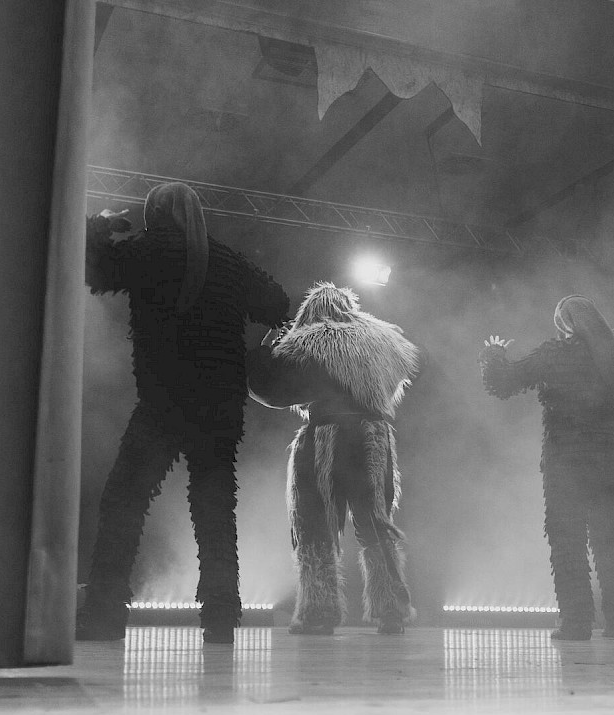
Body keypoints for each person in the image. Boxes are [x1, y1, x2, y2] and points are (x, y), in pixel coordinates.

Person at [76, 182, 291, 644]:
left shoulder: (148, 250)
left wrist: (98, 226)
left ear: (155, 213)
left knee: (124, 502)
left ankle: (103, 615)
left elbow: (91, 269)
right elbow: (278, 303)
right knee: (214, 511)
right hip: (221, 406)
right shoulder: (228, 261)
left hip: (164, 402)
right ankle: (221, 619)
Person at [478, 295, 614, 640]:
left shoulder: (555, 353)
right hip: (613, 456)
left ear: (565, 324)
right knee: (610, 538)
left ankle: (576, 623)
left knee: (567, 540)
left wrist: (493, 352)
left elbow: (503, 382)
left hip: (566, 459)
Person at [247, 282, 422, 635]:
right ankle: (392, 610)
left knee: (315, 524)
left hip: (326, 438)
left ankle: (319, 612)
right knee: (376, 523)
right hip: (374, 438)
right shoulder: (384, 341)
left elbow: (271, 390)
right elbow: (404, 372)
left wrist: (264, 351)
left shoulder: (308, 341)